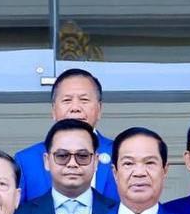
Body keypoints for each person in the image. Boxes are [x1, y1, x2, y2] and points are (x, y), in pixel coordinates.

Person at [14, 67, 116, 206]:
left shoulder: (119, 154)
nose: (75, 108)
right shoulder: (26, 160)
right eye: (67, 100)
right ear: (53, 110)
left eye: (84, 100)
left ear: (99, 109)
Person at [15, 119, 107, 214]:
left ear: (95, 161)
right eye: (62, 156)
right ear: (47, 161)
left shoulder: (116, 213)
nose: (72, 164)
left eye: (82, 156)